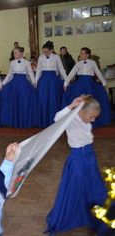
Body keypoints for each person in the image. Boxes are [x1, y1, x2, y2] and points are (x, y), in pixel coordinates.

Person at [44, 95, 112, 236]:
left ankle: (97, 212)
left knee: (94, 184)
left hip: (89, 154)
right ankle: (75, 215)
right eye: (91, 117)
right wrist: (71, 106)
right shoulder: (72, 119)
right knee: (76, 185)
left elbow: (87, 134)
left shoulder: (84, 116)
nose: (93, 120)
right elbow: (57, 118)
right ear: (81, 112)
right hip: (78, 157)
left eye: (94, 118)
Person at [62, 47, 113, 129]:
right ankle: (79, 121)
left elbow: (98, 73)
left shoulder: (92, 63)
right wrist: (65, 82)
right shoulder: (78, 64)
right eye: (80, 54)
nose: (81, 55)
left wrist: (103, 82)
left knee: (89, 102)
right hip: (80, 84)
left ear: (87, 54)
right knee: (80, 103)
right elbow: (71, 73)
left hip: (90, 85)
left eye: (82, 54)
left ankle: (90, 121)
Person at [1, 47, 38, 128]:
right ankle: (14, 121)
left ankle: (23, 121)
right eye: (14, 53)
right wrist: (3, 83)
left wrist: (34, 82)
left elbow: (30, 73)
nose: (14, 54)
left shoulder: (27, 62)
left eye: (16, 53)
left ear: (21, 53)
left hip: (23, 84)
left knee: (23, 102)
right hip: (14, 84)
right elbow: (10, 74)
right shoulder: (12, 62)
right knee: (14, 101)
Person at [35, 41, 67, 128]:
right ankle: (43, 121)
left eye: (47, 52)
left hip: (53, 81)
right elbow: (38, 71)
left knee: (53, 100)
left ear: (51, 50)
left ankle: (54, 121)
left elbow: (61, 69)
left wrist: (67, 81)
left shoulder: (56, 57)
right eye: (44, 52)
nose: (45, 54)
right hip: (43, 81)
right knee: (43, 100)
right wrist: (35, 82)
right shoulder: (41, 58)